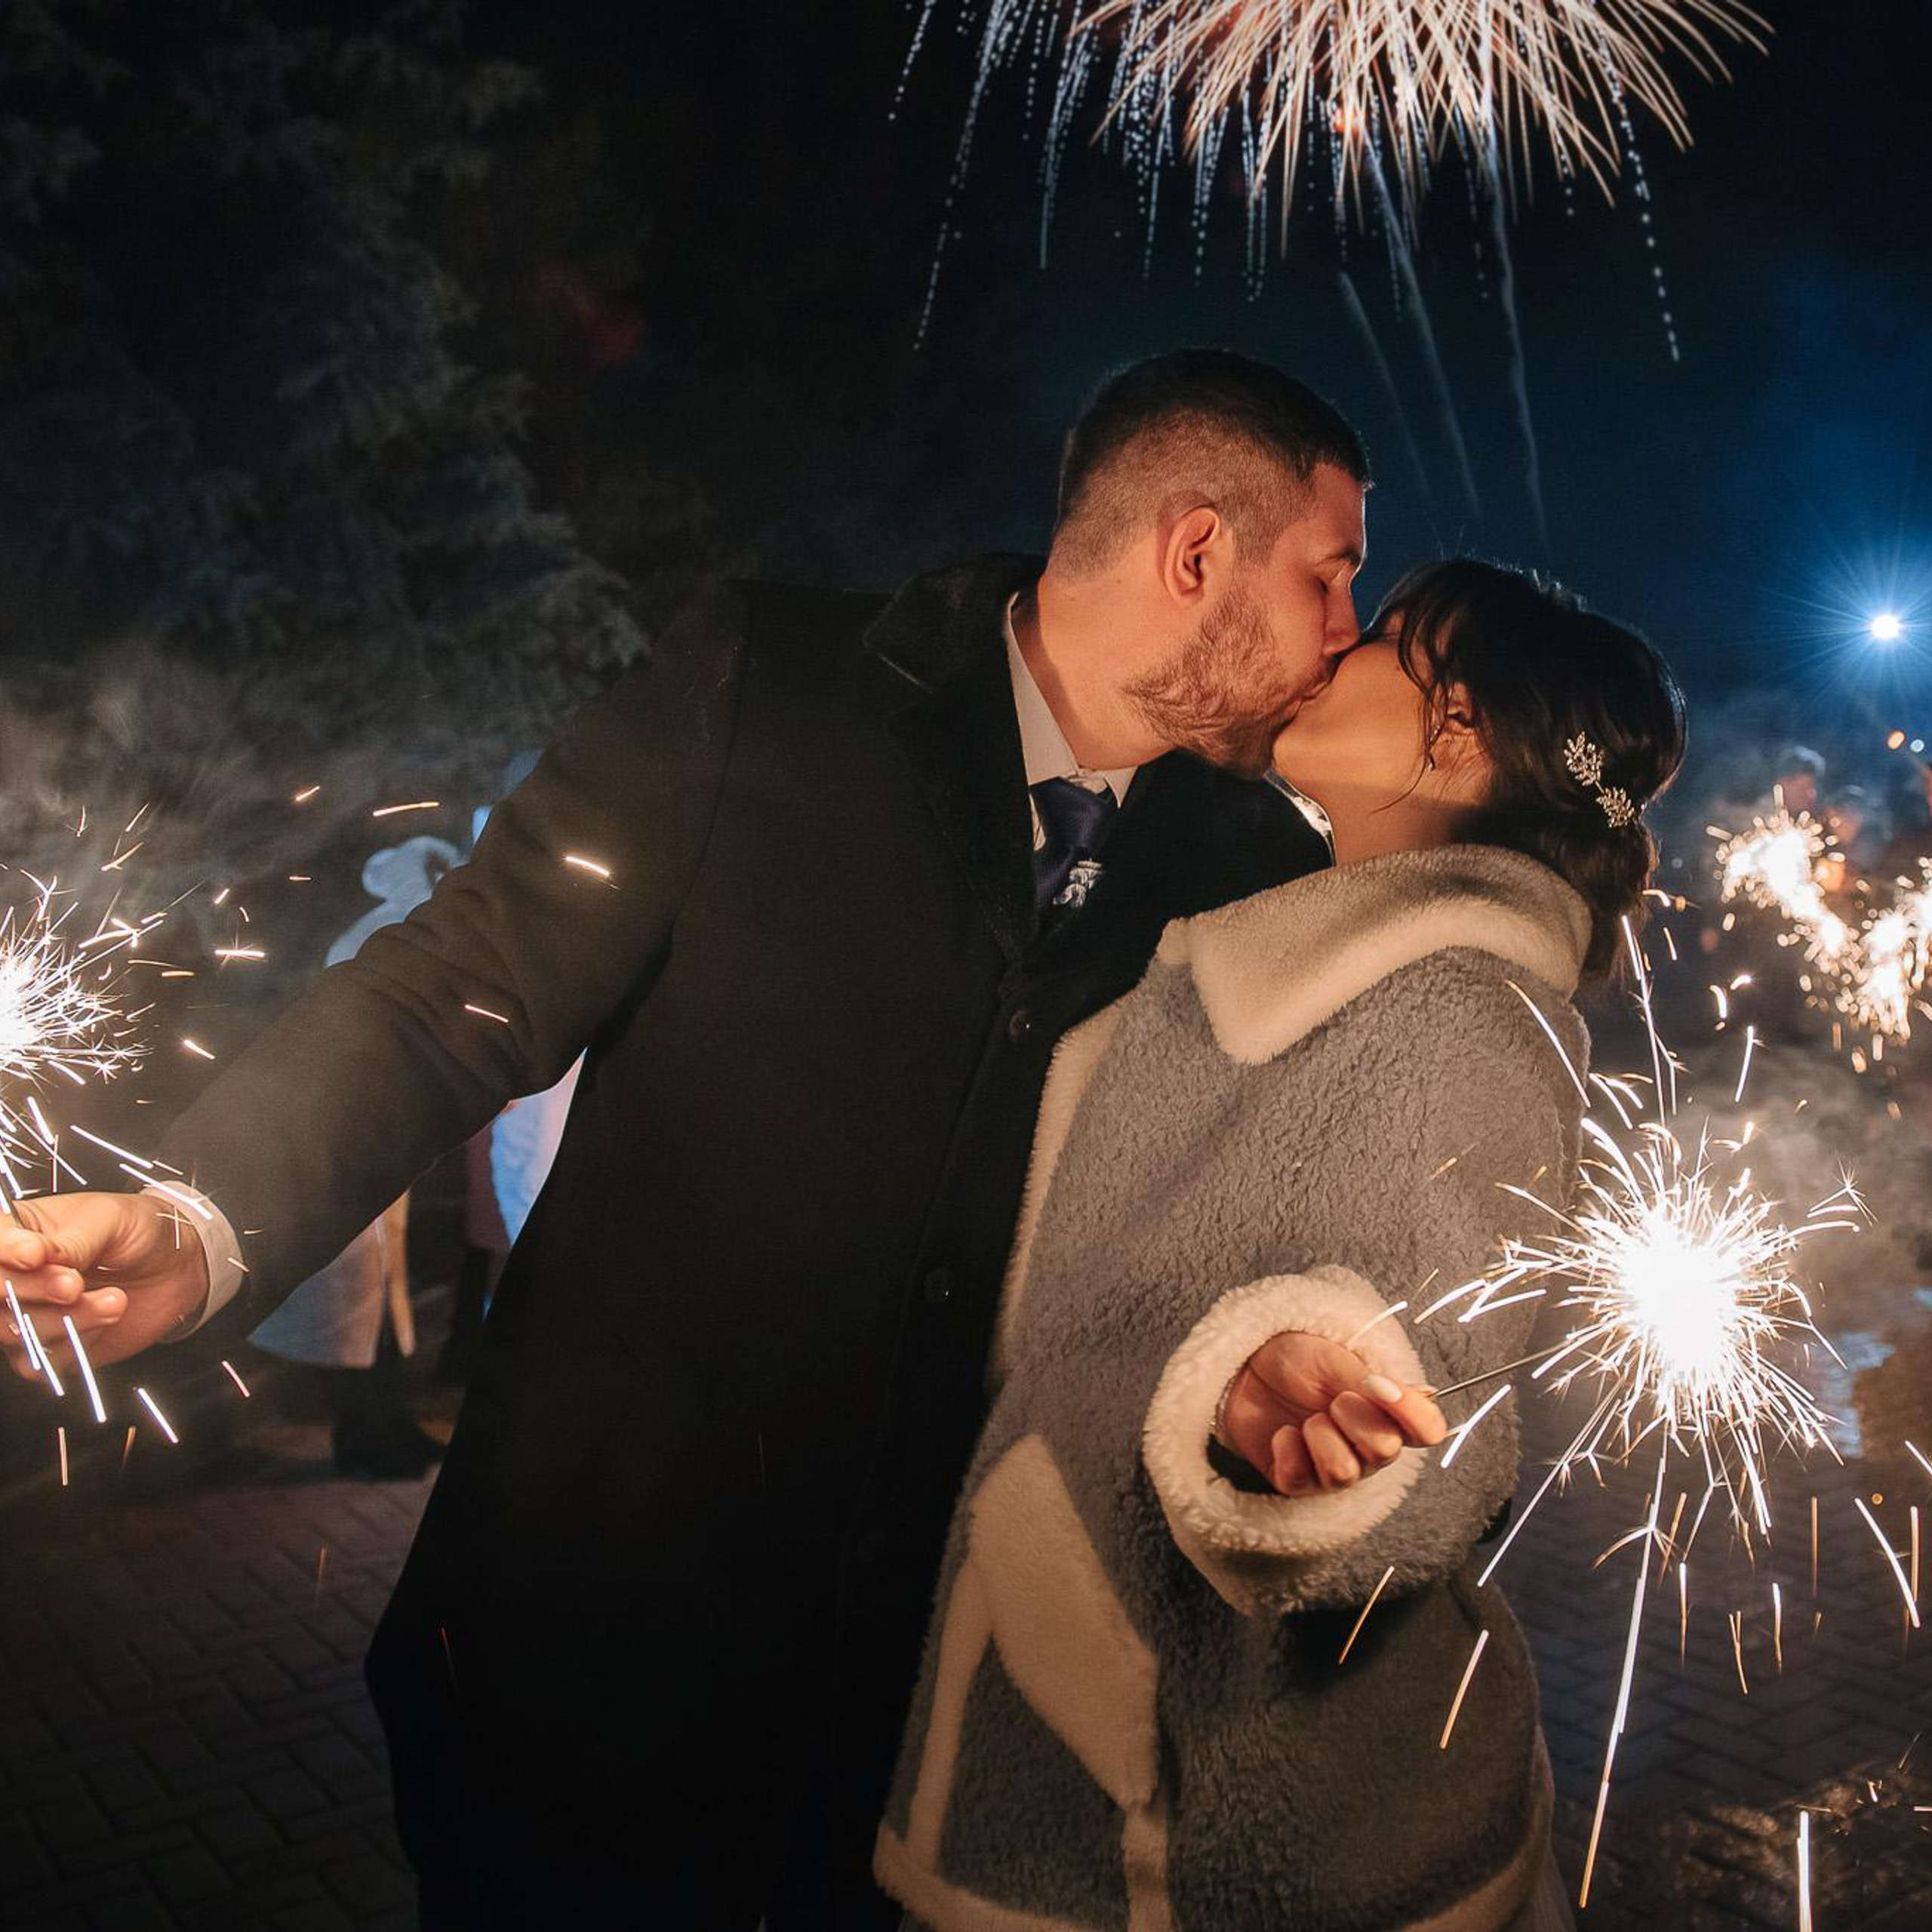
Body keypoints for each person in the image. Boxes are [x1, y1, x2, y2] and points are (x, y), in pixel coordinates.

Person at [1, 350, 1366, 1927]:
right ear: (1193, 552)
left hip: (943, 1758)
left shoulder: (1253, 859)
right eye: (1326, 572)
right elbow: (457, 989)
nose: (1348, 628)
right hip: (589, 1678)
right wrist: (206, 1217)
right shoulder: (769, 682)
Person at [877, 559, 1684, 1931]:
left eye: (1383, 637)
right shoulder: (1321, 952)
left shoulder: (1457, 1009)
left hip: (1212, 1830)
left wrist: (1303, 1412)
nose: (1334, 649)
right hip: (1111, 1771)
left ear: (1456, 727)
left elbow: (1424, 1380)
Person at [248, 836, 460, 1478]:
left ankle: (394, 1426)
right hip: (339, 1138)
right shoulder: (384, 934)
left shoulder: (403, 927)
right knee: (352, 1304)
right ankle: (365, 1439)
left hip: (377, 1136)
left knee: (385, 1295)